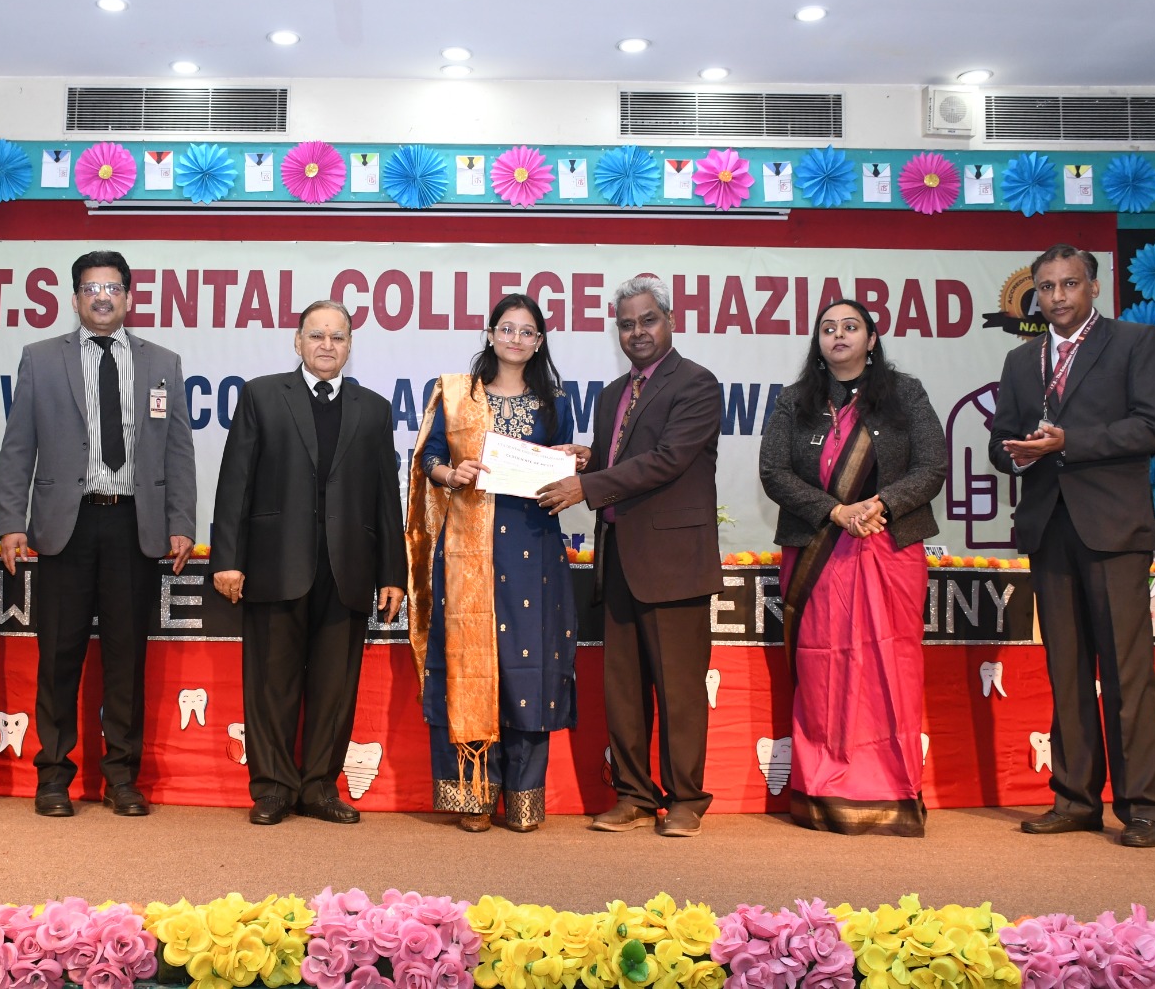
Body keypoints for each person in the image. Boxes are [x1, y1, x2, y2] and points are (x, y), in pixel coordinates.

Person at [0, 249, 196, 818]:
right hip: (67, 524)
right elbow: (18, 447)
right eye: (91, 288)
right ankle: (53, 777)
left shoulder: (162, 362)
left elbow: (178, 449)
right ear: (75, 298)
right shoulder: (40, 358)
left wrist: (181, 522)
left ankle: (121, 778)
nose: (102, 297)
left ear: (129, 298)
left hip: (134, 523)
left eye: (112, 288)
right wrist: (11, 522)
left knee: (125, 658)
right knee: (58, 655)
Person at [989, 243, 1155, 848]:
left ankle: (1143, 807)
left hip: (1113, 528)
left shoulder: (1134, 342)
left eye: (1069, 284)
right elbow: (1000, 438)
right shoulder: (1022, 360)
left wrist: (1069, 441)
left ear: (1094, 287)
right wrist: (1018, 454)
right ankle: (1075, 799)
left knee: (1125, 671)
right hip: (1049, 527)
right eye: (1046, 287)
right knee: (1065, 670)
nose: (1058, 296)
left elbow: (1153, 427)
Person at [537, 275, 721, 838]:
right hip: (618, 557)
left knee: (679, 689)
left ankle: (686, 799)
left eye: (648, 320)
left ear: (670, 321)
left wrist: (586, 486)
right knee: (623, 689)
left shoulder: (697, 384)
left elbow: (667, 459)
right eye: (626, 324)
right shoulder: (614, 392)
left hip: (674, 561)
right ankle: (635, 794)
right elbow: (622, 461)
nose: (637, 332)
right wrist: (585, 460)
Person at [211, 300, 406, 826]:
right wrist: (227, 559)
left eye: (337, 337)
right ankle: (273, 788)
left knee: (334, 687)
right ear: (297, 342)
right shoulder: (262, 395)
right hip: (274, 563)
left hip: (348, 568)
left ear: (349, 346)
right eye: (316, 335)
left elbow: (386, 497)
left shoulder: (373, 409)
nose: (326, 345)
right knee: (270, 684)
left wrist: (392, 572)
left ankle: (319, 787)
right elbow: (235, 483)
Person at [758, 299, 946, 836]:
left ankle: (893, 792)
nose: (838, 335)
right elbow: (773, 472)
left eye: (850, 326)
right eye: (827, 328)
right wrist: (835, 511)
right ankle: (823, 793)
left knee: (891, 668)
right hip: (818, 548)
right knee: (822, 671)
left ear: (871, 338)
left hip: (890, 547)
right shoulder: (794, 401)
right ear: (818, 342)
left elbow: (932, 466)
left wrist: (881, 504)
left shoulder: (905, 394)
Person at [405, 294, 585, 833]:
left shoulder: (554, 402)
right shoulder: (457, 395)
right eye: (507, 328)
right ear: (490, 333)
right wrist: (449, 474)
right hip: (468, 548)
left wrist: (573, 462)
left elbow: (561, 470)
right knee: (468, 665)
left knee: (529, 666)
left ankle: (524, 798)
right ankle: (473, 797)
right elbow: (429, 458)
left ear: (539, 342)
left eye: (527, 332)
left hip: (533, 547)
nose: (515, 339)